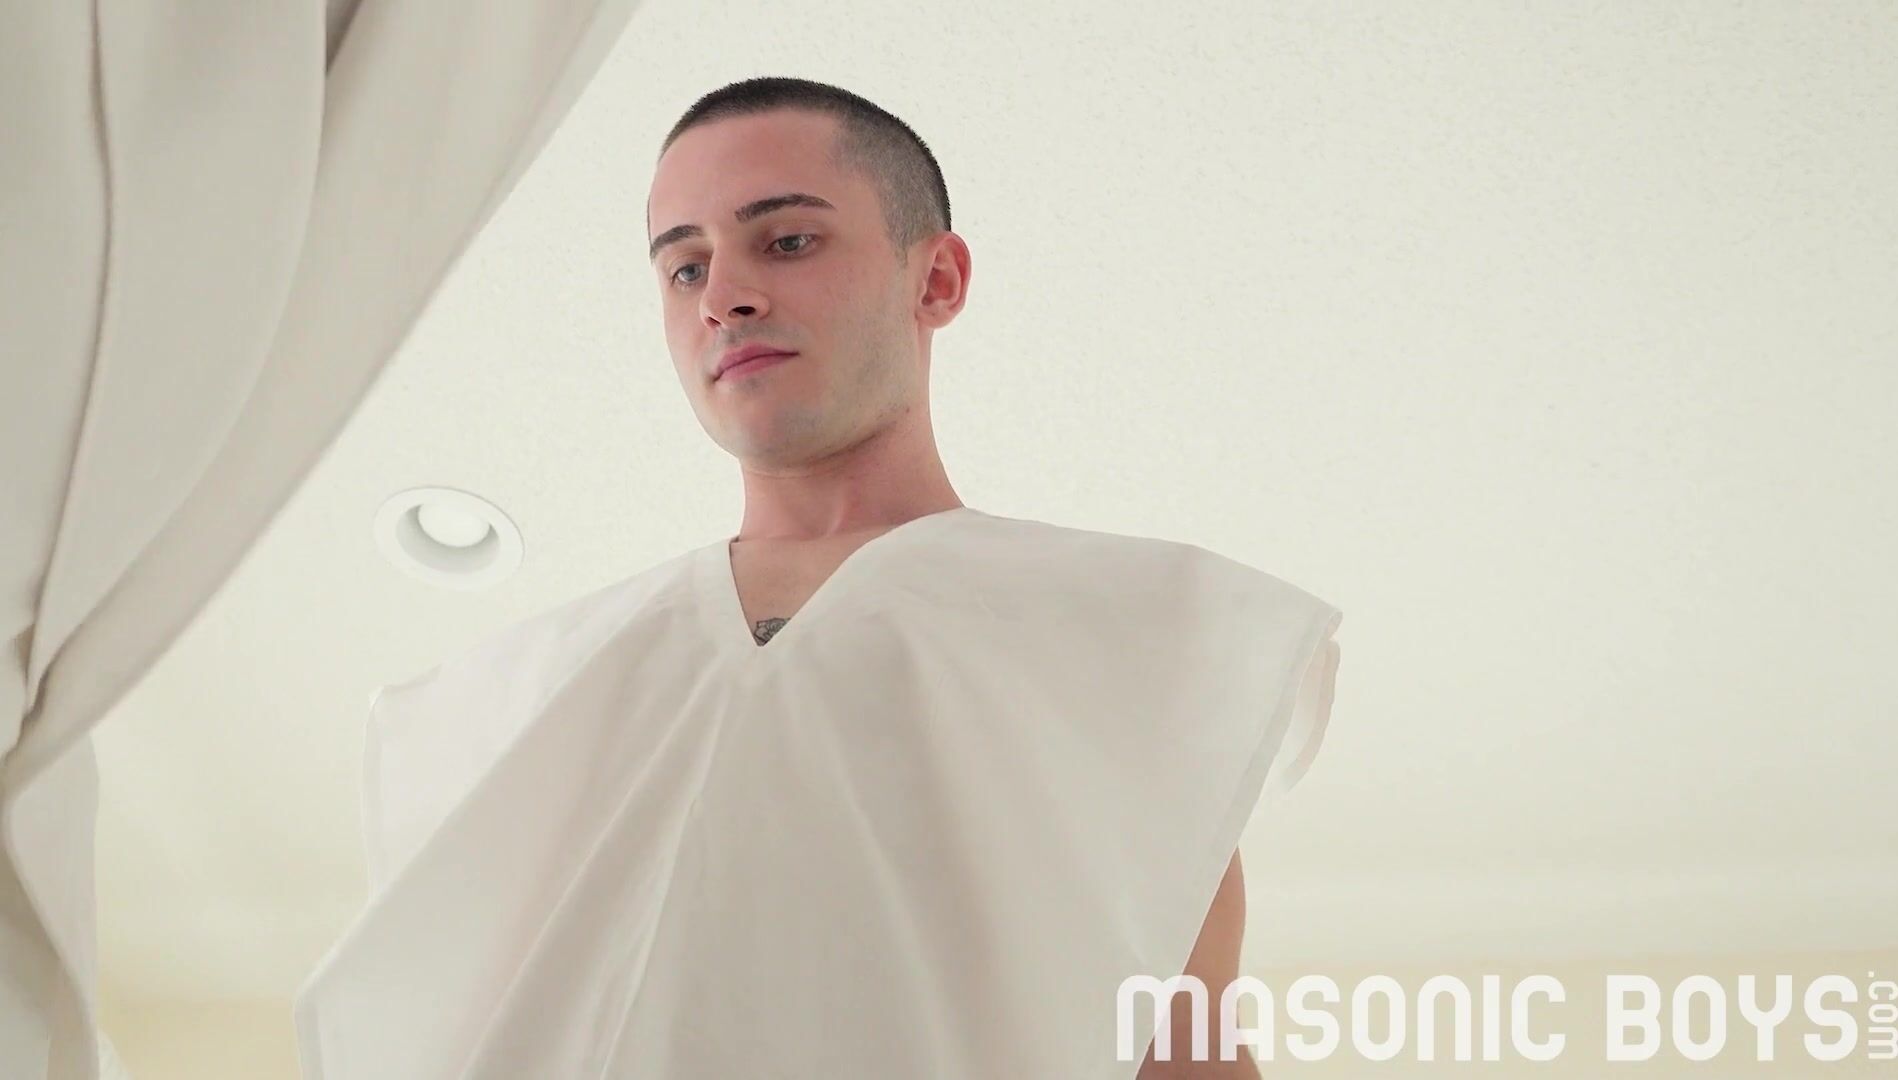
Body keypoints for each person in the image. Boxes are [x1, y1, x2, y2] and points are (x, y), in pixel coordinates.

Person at [293, 77, 1343, 1079]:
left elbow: (1182, 1059)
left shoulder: (1133, 641)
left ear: (935, 280)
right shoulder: (517, 698)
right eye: (683, 268)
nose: (724, 297)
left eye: (786, 241)